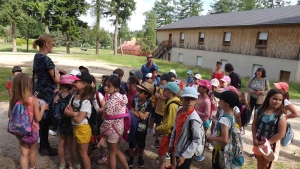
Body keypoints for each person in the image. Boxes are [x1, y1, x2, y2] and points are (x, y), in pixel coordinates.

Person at [8, 73, 49, 169]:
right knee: (32, 151)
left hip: (20, 130)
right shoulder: (33, 100)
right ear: (29, 85)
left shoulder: (13, 99)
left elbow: (10, 115)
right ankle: (32, 167)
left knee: (24, 153)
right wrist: (42, 108)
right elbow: (38, 118)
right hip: (32, 130)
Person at [32, 35, 60, 156]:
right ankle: (44, 146)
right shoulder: (46, 60)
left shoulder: (36, 57)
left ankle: (43, 144)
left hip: (39, 91)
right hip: (47, 93)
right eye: (52, 44)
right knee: (46, 118)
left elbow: (37, 75)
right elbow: (56, 80)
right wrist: (58, 73)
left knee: (42, 117)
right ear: (47, 45)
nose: (53, 46)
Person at [169, 87, 204, 169]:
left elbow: (196, 140)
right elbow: (175, 128)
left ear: (196, 101)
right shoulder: (179, 110)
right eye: (187, 99)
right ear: (181, 99)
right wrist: (171, 144)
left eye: (192, 99)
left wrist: (184, 156)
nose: (189, 102)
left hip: (186, 152)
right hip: (177, 148)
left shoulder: (194, 119)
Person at [64, 71, 94, 169]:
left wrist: (72, 113)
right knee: (79, 152)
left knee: (83, 153)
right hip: (76, 128)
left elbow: (79, 120)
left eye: (77, 81)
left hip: (83, 129)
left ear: (84, 84)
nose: (74, 83)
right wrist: (75, 113)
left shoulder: (86, 100)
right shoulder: (74, 95)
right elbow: (66, 111)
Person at [251, 89, 287, 169]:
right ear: (268, 98)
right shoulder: (259, 111)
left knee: (267, 164)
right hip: (259, 141)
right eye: (274, 99)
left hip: (271, 143)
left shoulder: (280, 116)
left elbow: (281, 133)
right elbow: (254, 124)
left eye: (280, 100)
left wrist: (267, 143)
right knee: (260, 162)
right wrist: (254, 138)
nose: (277, 101)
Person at [99, 75, 129, 169]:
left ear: (116, 88)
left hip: (112, 130)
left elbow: (108, 119)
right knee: (115, 151)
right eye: (105, 85)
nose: (105, 88)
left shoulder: (112, 100)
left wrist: (101, 131)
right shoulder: (121, 97)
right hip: (119, 128)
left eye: (108, 86)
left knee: (112, 153)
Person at [207, 91, 240, 169]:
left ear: (226, 105)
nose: (219, 101)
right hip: (223, 150)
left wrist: (211, 138)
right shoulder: (231, 115)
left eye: (221, 100)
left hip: (220, 151)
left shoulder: (224, 119)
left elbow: (224, 139)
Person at [127, 82, 154, 168]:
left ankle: (140, 158)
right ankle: (131, 158)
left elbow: (144, 117)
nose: (138, 93)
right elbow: (130, 111)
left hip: (142, 128)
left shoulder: (149, 104)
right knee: (132, 144)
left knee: (141, 144)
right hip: (133, 126)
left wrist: (136, 113)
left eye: (141, 92)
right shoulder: (135, 101)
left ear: (146, 95)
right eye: (139, 91)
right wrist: (139, 112)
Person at [156, 82, 182, 169]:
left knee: (161, 152)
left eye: (165, 90)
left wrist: (159, 127)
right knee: (172, 151)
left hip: (168, 133)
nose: (163, 91)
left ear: (170, 92)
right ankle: (173, 166)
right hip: (173, 133)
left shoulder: (172, 105)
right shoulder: (176, 102)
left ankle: (162, 167)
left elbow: (170, 123)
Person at [55, 75, 75, 169]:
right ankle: (71, 164)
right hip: (70, 123)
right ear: (71, 86)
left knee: (61, 144)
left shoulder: (57, 96)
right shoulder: (72, 97)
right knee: (70, 146)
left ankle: (62, 163)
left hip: (59, 122)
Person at [90, 76, 107, 165]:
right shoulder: (83, 95)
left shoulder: (98, 94)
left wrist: (95, 110)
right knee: (89, 137)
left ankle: (103, 154)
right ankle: (89, 153)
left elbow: (105, 107)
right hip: (89, 120)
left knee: (100, 138)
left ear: (93, 84)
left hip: (98, 120)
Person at [151, 74, 171, 148]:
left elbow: (170, 98)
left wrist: (164, 97)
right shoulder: (159, 88)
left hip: (165, 111)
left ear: (167, 81)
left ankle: (164, 140)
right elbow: (155, 97)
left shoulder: (169, 90)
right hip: (158, 110)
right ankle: (157, 139)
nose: (161, 81)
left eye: (162, 80)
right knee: (157, 125)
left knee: (165, 126)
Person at [194, 80, 212, 161]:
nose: (198, 87)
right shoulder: (199, 96)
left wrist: (195, 111)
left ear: (205, 89)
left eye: (200, 86)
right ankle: (195, 152)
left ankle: (200, 154)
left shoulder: (207, 101)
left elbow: (207, 114)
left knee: (201, 138)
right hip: (196, 120)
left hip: (202, 122)